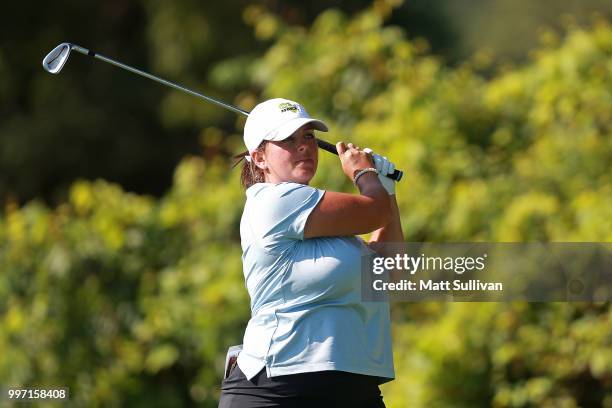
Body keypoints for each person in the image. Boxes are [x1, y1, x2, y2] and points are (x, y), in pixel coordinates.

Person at [219, 98, 404, 408]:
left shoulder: (336, 233)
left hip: (352, 389)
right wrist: (364, 174)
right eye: (288, 140)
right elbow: (374, 212)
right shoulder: (272, 201)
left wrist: (386, 188)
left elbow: (391, 269)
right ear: (259, 157)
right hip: (277, 388)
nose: (303, 146)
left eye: (307, 136)